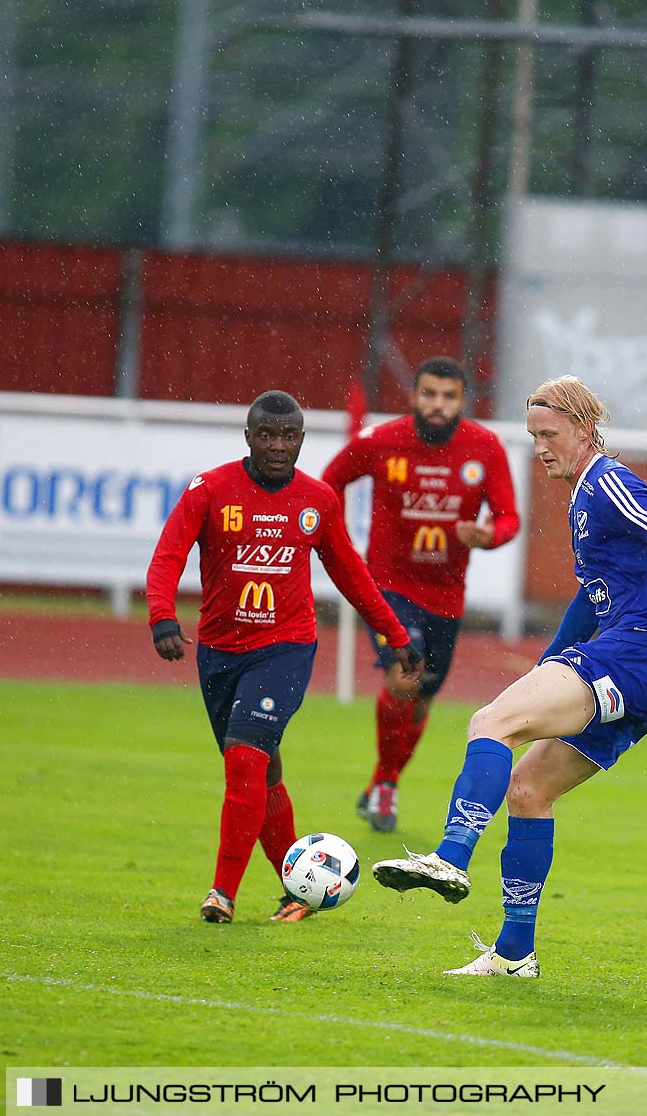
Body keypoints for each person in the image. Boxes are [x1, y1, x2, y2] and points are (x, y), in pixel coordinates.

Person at [371, 375, 647, 977]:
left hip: (637, 655)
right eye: (532, 435)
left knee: (492, 721)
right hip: (645, 670)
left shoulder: (609, 482)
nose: (540, 446)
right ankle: (515, 955)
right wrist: (553, 660)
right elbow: (591, 598)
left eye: (550, 433)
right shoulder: (582, 495)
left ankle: (450, 857)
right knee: (529, 791)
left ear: (584, 427)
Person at [146, 390, 421, 924]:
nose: (277, 445)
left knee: (245, 755)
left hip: (287, 648)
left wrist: (393, 634)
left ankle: (222, 893)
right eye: (266, 435)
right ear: (248, 436)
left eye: (288, 436)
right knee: (262, 771)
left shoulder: (317, 500)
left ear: (300, 439)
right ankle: (299, 891)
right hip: (221, 652)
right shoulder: (210, 490)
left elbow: (351, 576)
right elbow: (167, 556)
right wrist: (162, 615)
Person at [321, 357, 521, 833]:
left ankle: (380, 783)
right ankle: (387, 789)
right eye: (429, 394)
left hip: (447, 597)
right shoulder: (381, 441)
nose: (438, 405)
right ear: (413, 396)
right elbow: (328, 485)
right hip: (386, 586)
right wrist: (340, 543)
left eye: (448, 396)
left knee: (423, 699)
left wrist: (487, 535)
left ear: (462, 401)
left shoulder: (485, 448)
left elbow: (510, 517)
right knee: (404, 676)